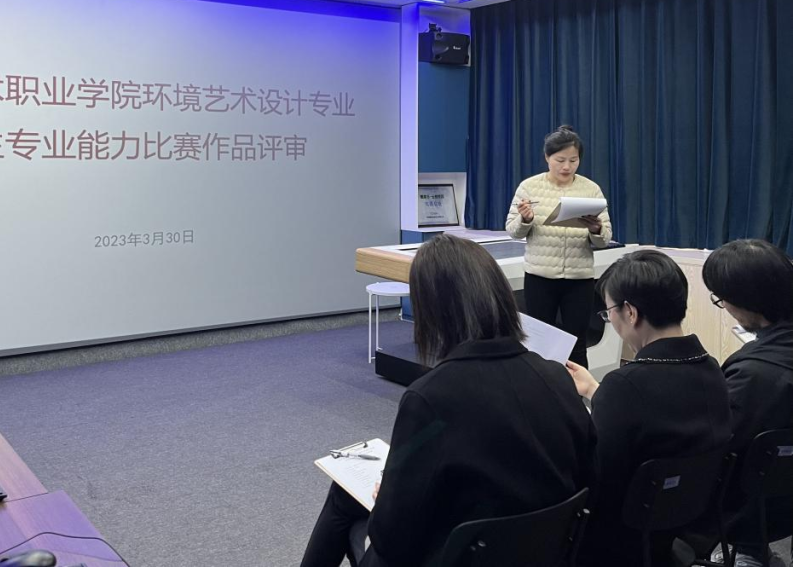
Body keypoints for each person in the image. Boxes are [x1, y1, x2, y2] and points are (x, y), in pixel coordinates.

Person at [300, 234, 596, 567]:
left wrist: (386, 501)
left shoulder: (430, 399)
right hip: (545, 551)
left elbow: (390, 538)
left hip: (461, 554)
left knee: (348, 500)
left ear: (431, 312)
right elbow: (588, 482)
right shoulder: (557, 378)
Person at [567, 250, 732, 567]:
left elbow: (594, 477)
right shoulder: (711, 369)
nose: (611, 320)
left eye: (609, 312)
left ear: (630, 312)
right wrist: (593, 390)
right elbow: (658, 418)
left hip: (615, 543)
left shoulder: (626, 386)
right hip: (674, 530)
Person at [702, 239, 793, 567]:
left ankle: (746, 552)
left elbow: (720, 445)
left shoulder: (755, 373)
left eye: (722, 299)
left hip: (753, 508)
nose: (724, 306)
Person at [506, 125, 612, 366]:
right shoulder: (529, 187)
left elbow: (605, 238)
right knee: (539, 343)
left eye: (573, 160)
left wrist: (595, 229)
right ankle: (541, 387)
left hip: (579, 279)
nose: (567, 167)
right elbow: (513, 230)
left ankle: (577, 389)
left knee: (577, 344)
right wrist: (526, 219)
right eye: (560, 160)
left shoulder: (591, 189)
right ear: (547, 157)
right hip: (540, 277)